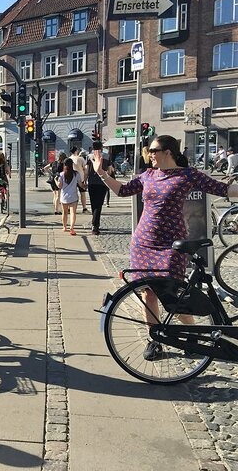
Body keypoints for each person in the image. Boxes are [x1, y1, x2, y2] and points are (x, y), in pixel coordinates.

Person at [96, 135, 238, 360]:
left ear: (168, 152)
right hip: (143, 243)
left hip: (171, 245)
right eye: (149, 150)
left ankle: (191, 337)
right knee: (148, 294)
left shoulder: (187, 175)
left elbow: (222, 189)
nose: (149, 154)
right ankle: (154, 339)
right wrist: (102, 174)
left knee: (175, 296)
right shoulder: (148, 175)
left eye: (153, 150)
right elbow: (122, 191)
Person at [85, 142, 114, 235]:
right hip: (102, 182)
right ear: (101, 147)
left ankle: (94, 223)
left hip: (92, 182)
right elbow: (109, 171)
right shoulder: (106, 156)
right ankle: (95, 226)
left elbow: (86, 170)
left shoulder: (89, 156)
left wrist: (84, 181)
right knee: (99, 204)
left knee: (93, 203)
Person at [55, 159, 79, 235]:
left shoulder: (61, 174)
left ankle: (64, 227)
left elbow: (59, 186)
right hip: (73, 196)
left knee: (64, 213)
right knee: (73, 213)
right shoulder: (76, 174)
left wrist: (55, 180)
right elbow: (81, 184)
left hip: (64, 197)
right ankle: (71, 228)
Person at [68, 146, 88, 213]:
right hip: (80, 178)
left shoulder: (69, 159)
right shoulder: (80, 158)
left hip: (72, 178)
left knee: (71, 193)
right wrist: (85, 179)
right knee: (82, 193)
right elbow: (85, 168)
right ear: (76, 151)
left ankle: (69, 208)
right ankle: (84, 208)